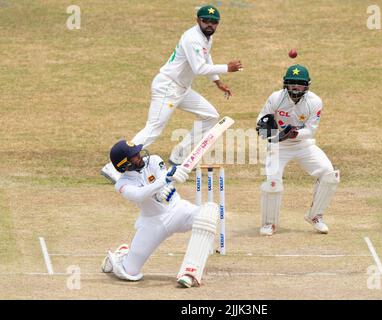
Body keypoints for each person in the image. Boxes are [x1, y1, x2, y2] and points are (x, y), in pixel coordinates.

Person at [101, 4, 243, 183]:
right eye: (205, 20)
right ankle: (115, 168)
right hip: (168, 87)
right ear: (198, 20)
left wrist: (218, 82)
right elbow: (199, 68)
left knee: (210, 116)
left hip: (182, 89)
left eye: (214, 22)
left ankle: (179, 154)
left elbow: (206, 59)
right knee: (153, 128)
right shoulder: (192, 38)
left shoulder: (207, 38)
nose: (209, 24)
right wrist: (227, 68)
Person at [101, 140, 219, 288]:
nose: (139, 156)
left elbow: (165, 178)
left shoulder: (154, 160)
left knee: (209, 212)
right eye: (134, 156)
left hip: (179, 210)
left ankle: (190, 271)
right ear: (125, 164)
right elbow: (139, 195)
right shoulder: (121, 184)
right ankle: (121, 257)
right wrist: (163, 182)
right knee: (129, 272)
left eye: (138, 152)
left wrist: (172, 176)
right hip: (153, 223)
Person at [256, 64, 340, 236]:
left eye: (299, 83)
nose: (295, 86)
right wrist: (268, 131)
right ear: (285, 83)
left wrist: (294, 134)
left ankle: (314, 215)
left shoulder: (314, 102)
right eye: (291, 82)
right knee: (273, 181)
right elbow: (262, 120)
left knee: (329, 174)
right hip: (278, 146)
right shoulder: (275, 98)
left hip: (303, 145)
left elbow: (311, 130)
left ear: (307, 85)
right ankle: (269, 223)